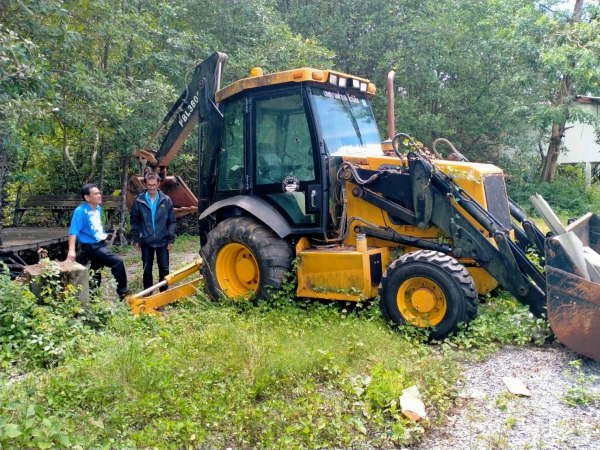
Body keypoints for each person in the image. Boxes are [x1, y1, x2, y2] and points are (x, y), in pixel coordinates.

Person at [66, 183, 130, 299]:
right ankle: (123, 292)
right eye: (96, 193)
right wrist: (71, 250)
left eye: (99, 193)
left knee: (96, 270)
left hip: (100, 244)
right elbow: (73, 231)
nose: (99, 195)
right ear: (87, 197)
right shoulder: (80, 212)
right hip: (91, 246)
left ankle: (92, 296)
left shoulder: (98, 209)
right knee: (117, 262)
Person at [130, 172, 176, 292]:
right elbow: (134, 221)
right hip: (146, 241)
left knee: (164, 269)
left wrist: (170, 239)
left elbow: (172, 221)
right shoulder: (139, 201)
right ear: (145, 184)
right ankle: (148, 295)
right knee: (147, 270)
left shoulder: (166, 200)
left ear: (158, 184)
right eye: (149, 185)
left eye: (154, 184)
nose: (152, 187)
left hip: (163, 240)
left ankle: (163, 295)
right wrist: (136, 238)